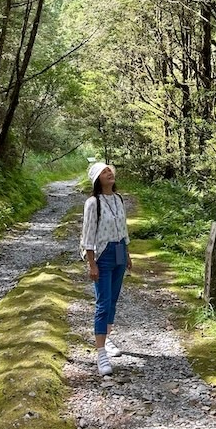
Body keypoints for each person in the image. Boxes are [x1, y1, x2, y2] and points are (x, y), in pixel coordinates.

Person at [80, 161, 132, 376]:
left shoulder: (119, 199)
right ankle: (101, 353)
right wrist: (92, 264)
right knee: (103, 303)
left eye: (110, 170)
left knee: (113, 300)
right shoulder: (93, 203)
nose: (109, 173)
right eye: (104, 172)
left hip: (119, 250)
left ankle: (107, 337)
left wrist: (127, 254)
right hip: (102, 255)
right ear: (96, 179)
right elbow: (88, 236)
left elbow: (123, 228)